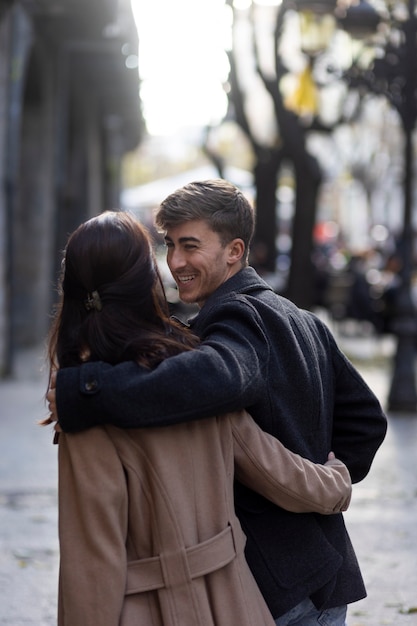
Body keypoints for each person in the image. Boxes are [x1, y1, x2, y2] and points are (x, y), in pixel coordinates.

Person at [48, 180, 388, 626]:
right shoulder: (302, 319)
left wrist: (83, 388)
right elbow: (366, 421)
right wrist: (327, 471)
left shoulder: (233, 318)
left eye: (190, 246)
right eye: (170, 245)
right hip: (326, 573)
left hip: (273, 586)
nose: (175, 262)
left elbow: (223, 376)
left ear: (234, 250)